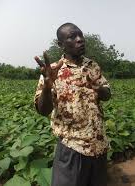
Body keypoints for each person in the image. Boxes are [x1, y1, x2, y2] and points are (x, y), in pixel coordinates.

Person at [34, 23, 111, 186]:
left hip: (98, 144)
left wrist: (99, 88)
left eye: (81, 35)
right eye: (72, 37)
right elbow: (43, 110)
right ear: (60, 44)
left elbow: (107, 94)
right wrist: (47, 88)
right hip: (72, 147)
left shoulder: (93, 66)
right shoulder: (53, 71)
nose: (80, 40)